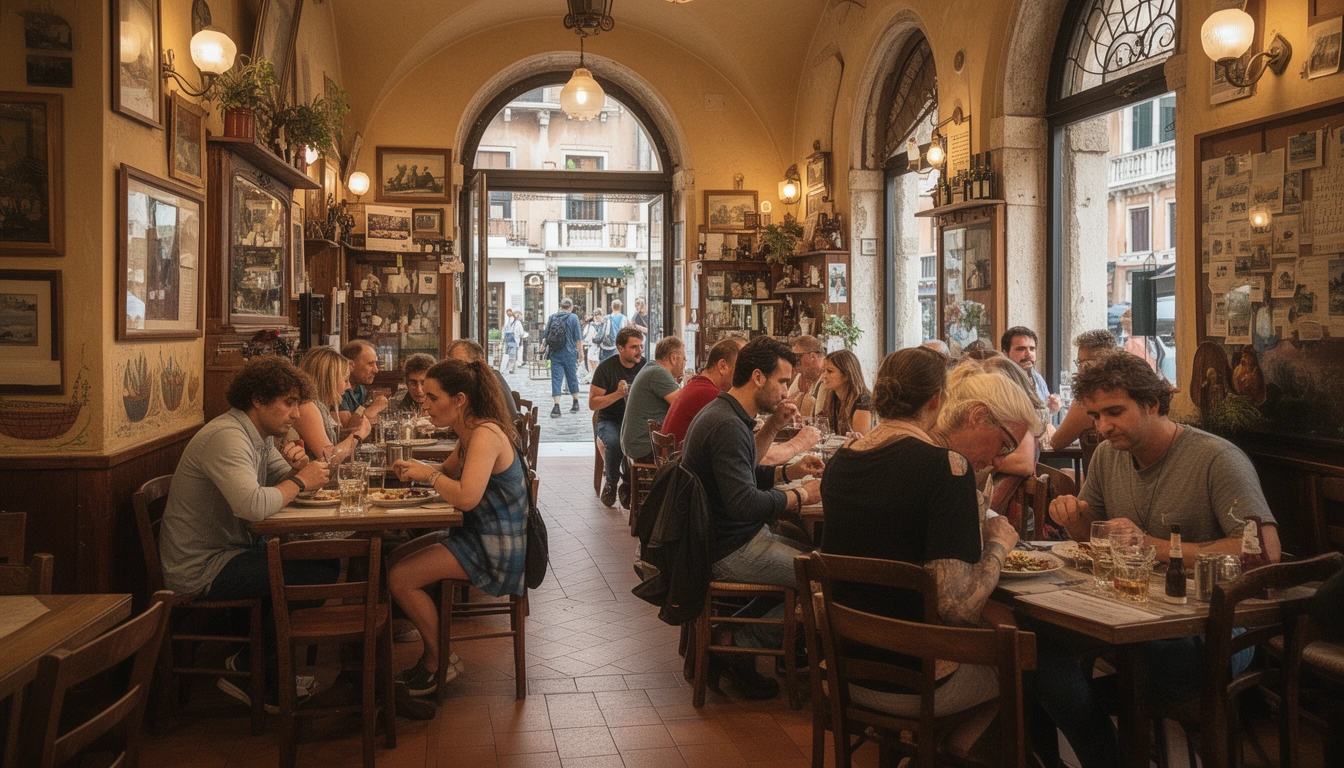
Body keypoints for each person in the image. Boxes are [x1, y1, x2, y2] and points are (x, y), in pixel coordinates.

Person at [1039, 352, 1281, 768]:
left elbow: (1262, 553)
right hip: (1132, 618)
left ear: (1152, 403)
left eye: (1115, 412)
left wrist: (1151, 544)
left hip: (1215, 631)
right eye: (1095, 415)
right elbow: (1095, 532)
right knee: (1031, 647)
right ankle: (1110, 756)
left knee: (1069, 683)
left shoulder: (1215, 458)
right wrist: (1074, 517)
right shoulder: (1108, 455)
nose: (1103, 426)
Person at [820, 347, 1030, 729]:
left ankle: (936, 754)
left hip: (843, 668)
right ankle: (955, 753)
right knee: (1030, 664)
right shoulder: (945, 468)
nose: (1002, 457)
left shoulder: (841, 460)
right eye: (1004, 444)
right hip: (917, 681)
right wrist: (999, 543)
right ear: (938, 400)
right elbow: (958, 607)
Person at [158, 356, 335, 711]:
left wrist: (299, 470)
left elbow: (276, 482)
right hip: (202, 568)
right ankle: (257, 673)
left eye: (298, 404)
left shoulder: (259, 436)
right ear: (257, 399)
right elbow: (254, 505)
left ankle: (258, 662)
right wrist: (301, 480)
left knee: (322, 562)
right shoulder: (227, 437)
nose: (297, 414)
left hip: (231, 552)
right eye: (289, 403)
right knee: (316, 573)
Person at [680, 336, 825, 699]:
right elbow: (743, 503)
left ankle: (737, 640)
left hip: (726, 537)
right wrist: (800, 495)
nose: (786, 390)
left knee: (808, 547)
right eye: (781, 381)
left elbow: (744, 473)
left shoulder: (726, 412)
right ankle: (736, 645)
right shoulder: (727, 425)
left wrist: (786, 472)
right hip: (729, 548)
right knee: (824, 579)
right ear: (758, 377)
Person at [385, 359, 526, 697]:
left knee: (399, 577)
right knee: (393, 558)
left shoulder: (485, 435)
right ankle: (434, 654)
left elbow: (464, 498)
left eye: (433, 397)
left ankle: (440, 661)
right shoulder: (470, 432)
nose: (425, 403)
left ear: (459, 399)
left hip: (497, 548)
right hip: (477, 535)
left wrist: (427, 475)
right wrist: (417, 468)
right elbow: (447, 472)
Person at [590, 327, 646, 508]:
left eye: (640, 346)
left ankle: (631, 485)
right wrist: (617, 394)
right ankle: (612, 484)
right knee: (615, 441)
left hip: (636, 421)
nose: (639, 351)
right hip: (610, 420)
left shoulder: (645, 367)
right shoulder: (606, 369)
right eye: (634, 347)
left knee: (645, 443)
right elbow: (593, 404)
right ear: (620, 348)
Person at [662, 337, 746, 446]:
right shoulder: (709, 395)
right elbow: (739, 442)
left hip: (674, 458)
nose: (746, 373)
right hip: (682, 460)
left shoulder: (698, 385)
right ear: (722, 366)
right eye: (742, 367)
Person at [293, 346, 372, 462]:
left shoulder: (318, 405)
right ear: (329, 381)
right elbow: (330, 458)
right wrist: (358, 435)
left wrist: (354, 431)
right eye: (345, 380)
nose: (349, 386)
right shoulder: (307, 407)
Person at [1047, 329, 1118, 450]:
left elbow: (1057, 442)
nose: (1079, 367)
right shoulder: (1122, 390)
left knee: (1062, 470)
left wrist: (1047, 426)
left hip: (1104, 467)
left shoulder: (1089, 398)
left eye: (1081, 361)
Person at [620, 336, 685, 464]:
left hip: (635, 444)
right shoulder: (659, 373)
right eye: (684, 358)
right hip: (644, 447)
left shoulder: (651, 367)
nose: (684, 363)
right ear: (673, 357)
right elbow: (682, 406)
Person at [447, 340, 521, 421]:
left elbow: (471, 420)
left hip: (501, 430)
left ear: (476, 361)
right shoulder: (491, 375)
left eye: (458, 363)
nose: (450, 367)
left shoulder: (482, 383)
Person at [1000, 326, 1062, 415]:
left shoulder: (1037, 377)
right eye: (1021, 349)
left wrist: (1051, 408)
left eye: (1032, 349)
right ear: (1005, 353)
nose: (1028, 354)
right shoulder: (1001, 382)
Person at [542, 298, 583, 418]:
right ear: (570, 307)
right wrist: (581, 353)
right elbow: (578, 338)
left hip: (555, 352)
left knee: (556, 378)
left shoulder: (552, 317)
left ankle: (556, 406)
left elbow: (546, 335)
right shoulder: (573, 318)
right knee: (572, 377)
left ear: (560, 307)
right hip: (570, 352)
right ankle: (575, 402)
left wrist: (543, 346)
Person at [337, 339, 389, 429]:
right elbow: (347, 430)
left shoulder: (360, 388)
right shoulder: (338, 389)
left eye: (375, 363)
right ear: (351, 365)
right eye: (370, 364)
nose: (376, 370)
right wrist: (374, 408)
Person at [820, 349, 873, 436]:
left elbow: (860, 443)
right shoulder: (833, 397)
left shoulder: (863, 402)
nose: (824, 376)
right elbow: (821, 426)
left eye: (830, 371)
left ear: (846, 375)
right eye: (823, 371)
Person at [786, 335, 827, 417]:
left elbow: (820, 421)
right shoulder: (801, 376)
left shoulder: (827, 380)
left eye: (797, 357)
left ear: (812, 357)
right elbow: (787, 404)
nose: (795, 364)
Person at [583, 309, 605, 376]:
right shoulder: (602, 324)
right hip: (596, 346)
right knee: (593, 363)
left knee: (593, 363)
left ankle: (594, 376)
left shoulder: (592, 325)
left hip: (595, 346)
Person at [502, 309, 525, 374]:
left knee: (507, 355)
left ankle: (507, 368)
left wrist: (502, 341)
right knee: (513, 356)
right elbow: (522, 333)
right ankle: (510, 369)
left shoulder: (507, 322)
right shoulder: (518, 323)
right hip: (514, 341)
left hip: (507, 341)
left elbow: (503, 332)